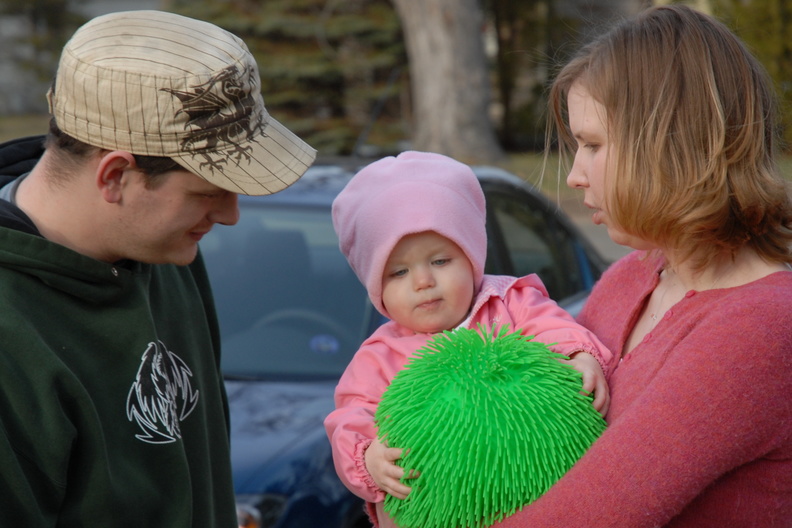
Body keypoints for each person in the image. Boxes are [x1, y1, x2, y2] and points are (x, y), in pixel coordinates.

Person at [0, 10, 316, 526]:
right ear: (117, 175)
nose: (230, 215)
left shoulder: (167, 253)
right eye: (209, 193)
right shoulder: (11, 338)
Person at [490, 5, 792, 527]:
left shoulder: (762, 328)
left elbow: (578, 517)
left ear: (672, 142)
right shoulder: (631, 277)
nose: (576, 176)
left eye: (593, 145)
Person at [324, 151, 615, 527]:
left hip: (531, 487)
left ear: (472, 257)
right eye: (398, 272)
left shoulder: (509, 301)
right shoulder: (379, 356)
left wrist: (580, 355)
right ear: (375, 287)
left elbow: (555, 327)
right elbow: (349, 417)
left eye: (440, 261)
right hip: (446, 506)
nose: (423, 281)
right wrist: (368, 458)